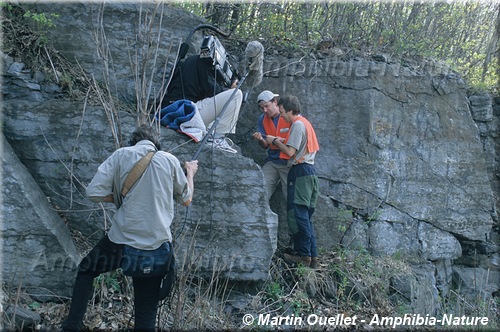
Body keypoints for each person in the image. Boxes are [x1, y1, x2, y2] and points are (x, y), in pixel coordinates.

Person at [61, 124, 198, 331]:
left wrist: (118, 196)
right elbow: (186, 200)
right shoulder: (169, 160)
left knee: (86, 271)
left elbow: (93, 193)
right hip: (154, 245)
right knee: (146, 313)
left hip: (120, 240)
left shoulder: (121, 155)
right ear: (155, 144)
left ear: (134, 142)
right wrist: (190, 172)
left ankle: (72, 326)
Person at [264, 95, 320, 269]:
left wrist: (274, 141)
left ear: (290, 110)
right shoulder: (305, 123)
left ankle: (303, 256)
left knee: (298, 215)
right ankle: (313, 256)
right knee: (306, 216)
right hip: (310, 172)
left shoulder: (296, 125)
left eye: (282, 113)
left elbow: (289, 152)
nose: (281, 117)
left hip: (299, 171)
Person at [160, 51, 243, 154]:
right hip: (189, 112)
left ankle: (211, 133)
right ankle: (217, 138)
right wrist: (230, 87)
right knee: (236, 94)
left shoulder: (188, 61)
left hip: (173, 108)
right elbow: (213, 90)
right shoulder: (203, 63)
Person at [252, 90, 291, 200]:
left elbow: (298, 140)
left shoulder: (289, 115)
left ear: (275, 102)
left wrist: (277, 140)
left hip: (288, 162)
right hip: (273, 161)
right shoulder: (262, 119)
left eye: (267, 106)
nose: (265, 110)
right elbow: (265, 146)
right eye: (262, 108)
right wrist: (260, 139)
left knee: (291, 197)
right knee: (260, 191)